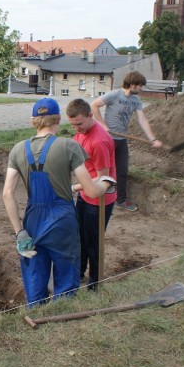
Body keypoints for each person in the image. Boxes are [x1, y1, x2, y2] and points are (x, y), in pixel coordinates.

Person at [2, 98, 115, 307]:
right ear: (59, 119)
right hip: (62, 221)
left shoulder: (18, 150)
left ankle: (36, 314)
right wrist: (106, 183)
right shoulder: (68, 146)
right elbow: (90, 189)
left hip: (33, 220)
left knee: (35, 275)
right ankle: (63, 318)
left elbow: (7, 193)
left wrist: (20, 233)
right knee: (65, 276)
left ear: (32, 121)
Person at [90, 71, 163, 212]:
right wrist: (103, 125)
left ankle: (120, 200)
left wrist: (152, 139)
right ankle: (96, 195)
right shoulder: (115, 95)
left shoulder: (136, 100)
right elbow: (94, 105)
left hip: (121, 139)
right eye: (140, 85)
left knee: (122, 171)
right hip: (108, 140)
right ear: (132, 84)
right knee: (104, 170)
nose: (141, 88)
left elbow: (142, 120)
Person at [67, 98, 117, 291]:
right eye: (72, 125)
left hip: (100, 200)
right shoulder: (81, 133)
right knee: (80, 237)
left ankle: (94, 284)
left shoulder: (100, 141)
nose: (76, 128)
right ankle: (78, 273)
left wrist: (73, 188)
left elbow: (103, 178)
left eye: (79, 124)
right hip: (85, 195)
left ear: (90, 116)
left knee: (94, 243)